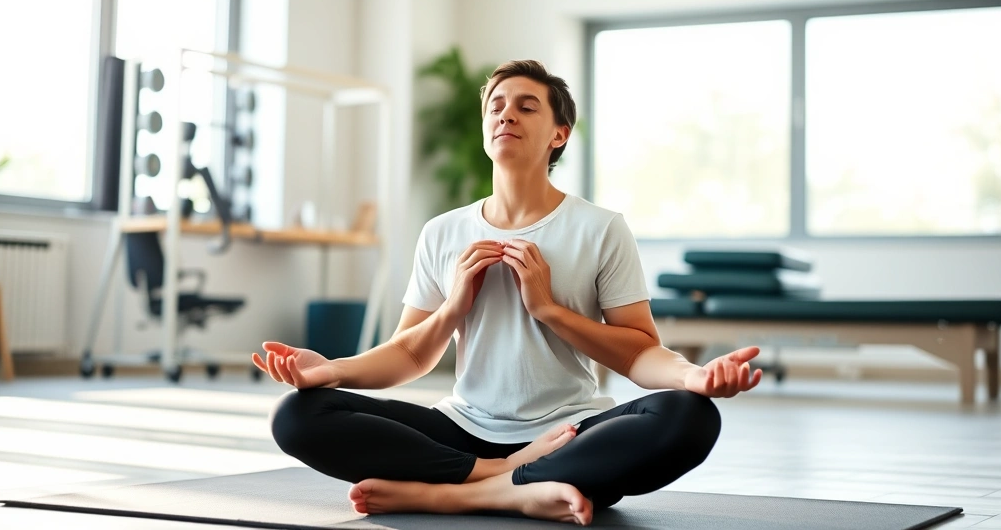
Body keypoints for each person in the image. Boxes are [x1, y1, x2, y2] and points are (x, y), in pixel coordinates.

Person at [252, 59, 762, 526]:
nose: (506, 115)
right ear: (484, 130)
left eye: (526, 106)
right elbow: (410, 353)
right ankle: (504, 478)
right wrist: (337, 368)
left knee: (689, 416)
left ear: (559, 134)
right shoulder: (443, 232)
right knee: (298, 414)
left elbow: (639, 353)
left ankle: (454, 494)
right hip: (465, 430)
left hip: (568, 433)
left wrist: (553, 310)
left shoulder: (600, 228)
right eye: (496, 106)